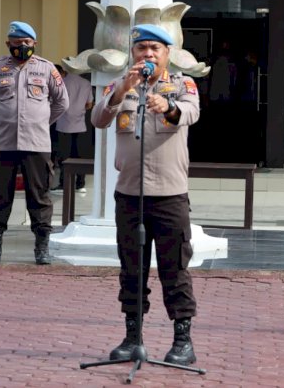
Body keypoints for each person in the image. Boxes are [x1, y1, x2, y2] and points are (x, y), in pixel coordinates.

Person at [91, 24, 200, 366]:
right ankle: (132, 337)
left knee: (175, 269)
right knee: (132, 270)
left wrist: (166, 106)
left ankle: (182, 340)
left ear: (167, 53)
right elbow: (97, 118)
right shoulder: (121, 85)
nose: (148, 54)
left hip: (169, 195)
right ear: (133, 54)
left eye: (155, 48)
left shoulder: (183, 85)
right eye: (142, 49)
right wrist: (124, 88)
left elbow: (192, 113)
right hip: (129, 195)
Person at [0, 21, 69, 265]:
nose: (22, 47)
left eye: (26, 43)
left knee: (39, 196)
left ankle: (42, 247)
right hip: (4, 143)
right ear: (8, 44)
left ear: (34, 44)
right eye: (17, 43)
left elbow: (62, 102)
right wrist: (4, 117)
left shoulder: (47, 69)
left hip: (37, 144)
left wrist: (39, 121)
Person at [51, 64, 93, 193]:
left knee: (64, 156)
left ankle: (64, 184)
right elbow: (90, 104)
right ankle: (80, 183)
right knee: (79, 156)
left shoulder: (61, 83)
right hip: (80, 125)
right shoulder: (86, 83)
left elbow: (56, 101)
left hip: (63, 124)